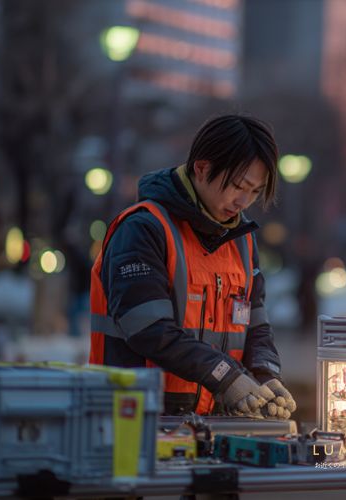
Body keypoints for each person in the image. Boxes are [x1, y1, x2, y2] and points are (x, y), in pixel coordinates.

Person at [89, 115, 295, 419]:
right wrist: (226, 377)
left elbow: (256, 324)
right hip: (133, 418)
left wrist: (265, 373)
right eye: (238, 185)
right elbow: (149, 329)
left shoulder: (242, 242)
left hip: (209, 424)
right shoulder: (143, 229)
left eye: (254, 191)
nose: (243, 201)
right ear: (202, 167)